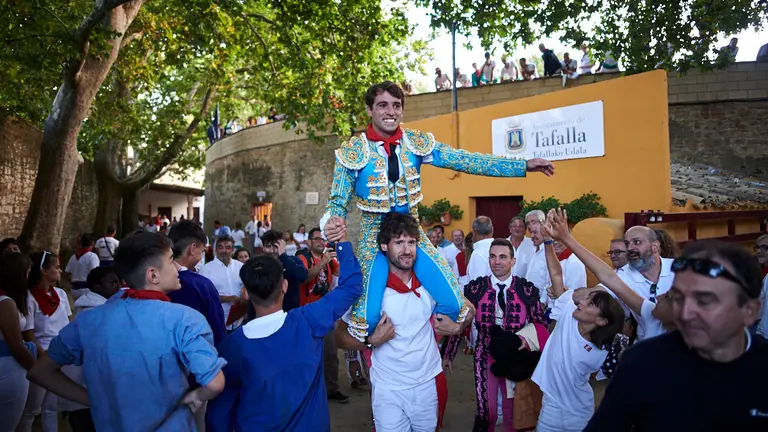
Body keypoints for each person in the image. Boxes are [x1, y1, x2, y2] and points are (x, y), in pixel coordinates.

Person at [321, 81, 554, 342]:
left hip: (412, 233)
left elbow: (467, 161)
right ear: (369, 110)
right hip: (373, 239)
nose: (390, 112)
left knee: (454, 305)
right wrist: (331, 221)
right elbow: (336, 202)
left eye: (396, 105)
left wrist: (522, 165)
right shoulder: (353, 151)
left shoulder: (415, 143)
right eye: (382, 105)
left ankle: (424, 341)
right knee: (367, 318)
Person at [27, 232, 226, 431]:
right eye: (171, 260)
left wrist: (94, 399)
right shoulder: (185, 320)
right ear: (153, 275)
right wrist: (196, 397)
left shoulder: (89, 320)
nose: (176, 268)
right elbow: (214, 383)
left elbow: (39, 371)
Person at [584, 240, 768, 431]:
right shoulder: (641, 363)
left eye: (704, 301)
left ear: (749, 311)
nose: (685, 314)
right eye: (678, 298)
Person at [206, 217, 362, 431]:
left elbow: (218, 417)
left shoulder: (230, 347)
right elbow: (351, 286)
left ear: (245, 293)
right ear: (285, 286)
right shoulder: (308, 321)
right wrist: (341, 239)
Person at [334, 212, 474, 432]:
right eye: (399, 243)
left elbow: (469, 309)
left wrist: (459, 326)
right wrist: (370, 341)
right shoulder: (369, 290)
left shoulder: (429, 282)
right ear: (384, 246)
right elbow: (339, 336)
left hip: (428, 383)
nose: (407, 250)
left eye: (411, 242)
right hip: (388, 389)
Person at [533, 212, 625, 432]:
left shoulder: (600, 350)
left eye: (590, 304)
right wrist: (548, 242)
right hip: (553, 410)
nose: (582, 302)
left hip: (579, 415)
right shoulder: (569, 311)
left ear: (601, 321)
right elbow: (556, 275)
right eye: (586, 299)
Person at [442, 238, 547, 432]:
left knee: (512, 411)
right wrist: (448, 354)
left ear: (513, 261)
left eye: (502, 257)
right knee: (486, 411)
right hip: (484, 354)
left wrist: (526, 342)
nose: (497, 262)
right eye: (492, 257)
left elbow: (540, 325)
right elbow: (461, 324)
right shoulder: (475, 289)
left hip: (515, 356)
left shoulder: (526, 290)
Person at [166, 220, 227, 430]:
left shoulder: (153, 283)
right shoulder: (199, 284)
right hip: (195, 375)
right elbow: (217, 332)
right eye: (201, 250)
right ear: (193, 248)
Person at [59, 266, 121, 432]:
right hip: (88, 391)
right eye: (112, 282)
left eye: (118, 282)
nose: (118, 287)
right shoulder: (95, 313)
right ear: (97, 287)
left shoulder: (96, 308)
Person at [17, 251, 71, 432]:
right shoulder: (29, 298)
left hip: (62, 355)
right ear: (44, 270)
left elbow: (67, 325)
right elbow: (29, 334)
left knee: (51, 407)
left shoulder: (61, 294)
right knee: (32, 409)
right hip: (42, 356)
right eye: (56, 267)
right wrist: (46, 360)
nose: (60, 271)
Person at [296, 228, 347, 403]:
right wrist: (323, 261)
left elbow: (341, 273)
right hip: (306, 314)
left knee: (330, 353)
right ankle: (308, 392)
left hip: (325, 313)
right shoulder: (302, 258)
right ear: (309, 242)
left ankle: (331, 389)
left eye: (322, 239)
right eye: (316, 239)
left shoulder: (329, 260)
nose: (320, 242)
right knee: (308, 354)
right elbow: (304, 277)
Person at [617, 226, 675, 340]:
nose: (630, 248)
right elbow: (605, 282)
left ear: (655, 246)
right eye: (627, 244)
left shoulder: (681, 269)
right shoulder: (623, 274)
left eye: (637, 242)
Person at [0, 253, 36, 431]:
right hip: (8, 369)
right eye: (27, 273)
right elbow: (16, 346)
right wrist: (37, 369)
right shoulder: (5, 303)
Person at [200, 235, 247, 331]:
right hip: (217, 322)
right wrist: (229, 298)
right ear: (216, 250)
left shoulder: (241, 267)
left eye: (228, 247)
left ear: (233, 250)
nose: (224, 251)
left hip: (239, 322)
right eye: (220, 247)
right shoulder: (206, 270)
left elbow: (247, 287)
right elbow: (205, 296)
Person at [261, 230, 309, 312]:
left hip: (290, 312)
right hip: (266, 313)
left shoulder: (293, 260)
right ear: (263, 248)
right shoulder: (258, 264)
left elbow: (303, 276)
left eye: (276, 246)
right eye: (268, 246)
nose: (272, 250)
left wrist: (283, 256)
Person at [65, 233, 100, 299]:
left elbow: (66, 273)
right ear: (92, 243)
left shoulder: (73, 257)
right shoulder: (92, 256)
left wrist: (72, 281)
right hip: (87, 290)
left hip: (74, 290)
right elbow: (96, 273)